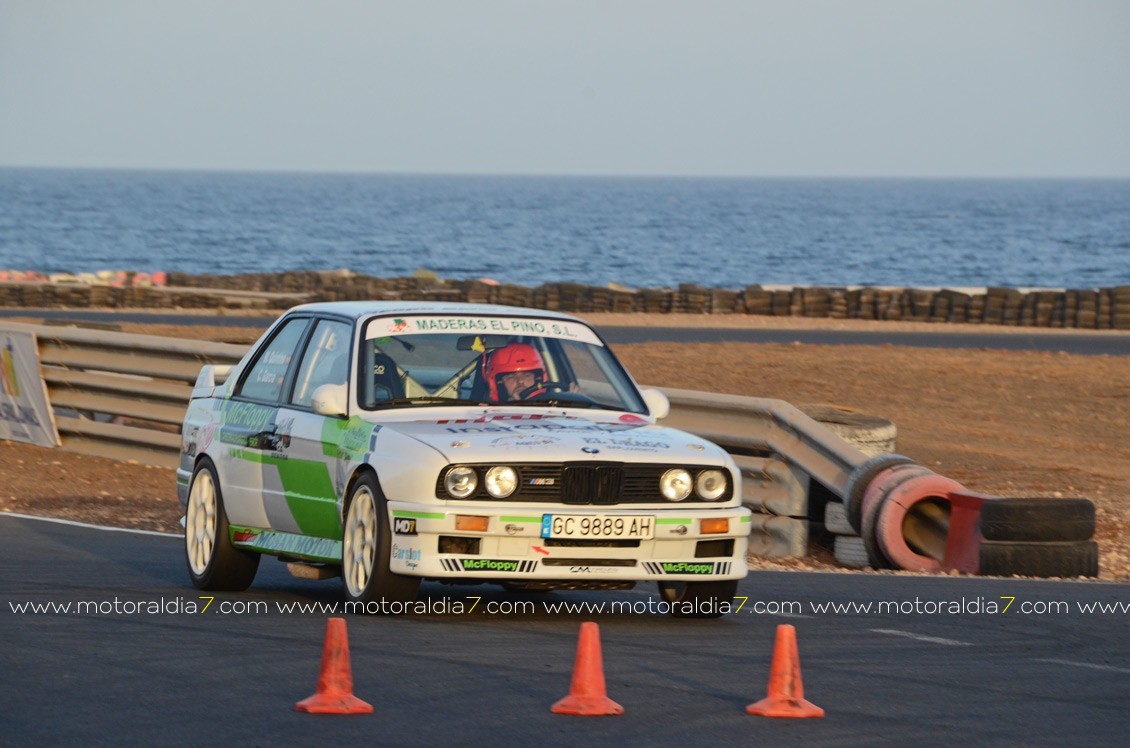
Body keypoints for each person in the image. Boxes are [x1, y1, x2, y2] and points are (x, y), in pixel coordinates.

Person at [483, 342, 549, 402]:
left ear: (537, 379)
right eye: (511, 377)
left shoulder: (553, 408)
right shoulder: (486, 413)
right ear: (500, 383)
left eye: (526, 375)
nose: (520, 381)